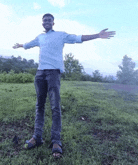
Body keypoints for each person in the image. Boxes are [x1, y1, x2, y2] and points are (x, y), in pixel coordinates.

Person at [13, 13, 116, 159]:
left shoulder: (61, 35)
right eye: (44, 20)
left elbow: (78, 38)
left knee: (55, 107)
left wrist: (97, 35)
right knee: (39, 105)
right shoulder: (40, 37)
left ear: (53, 23)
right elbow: (28, 44)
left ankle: (56, 141)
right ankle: (37, 137)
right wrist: (20, 45)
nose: (46, 22)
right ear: (42, 23)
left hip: (53, 73)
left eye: (49, 20)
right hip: (40, 73)